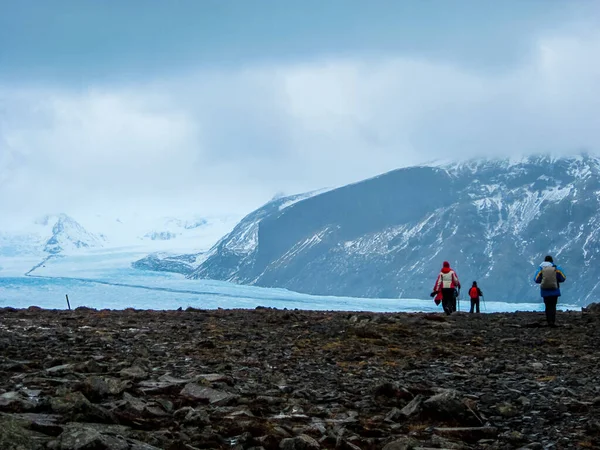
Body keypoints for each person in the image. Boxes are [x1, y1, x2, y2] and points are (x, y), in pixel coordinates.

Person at [533, 255, 566, 327]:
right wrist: (556, 280)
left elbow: (536, 279)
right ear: (551, 261)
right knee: (553, 306)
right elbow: (563, 278)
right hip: (555, 290)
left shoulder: (541, 269)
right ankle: (553, 322)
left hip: (545, 291)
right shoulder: (556, 268)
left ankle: (548, 321)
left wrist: (543, 280)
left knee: (547, 306)